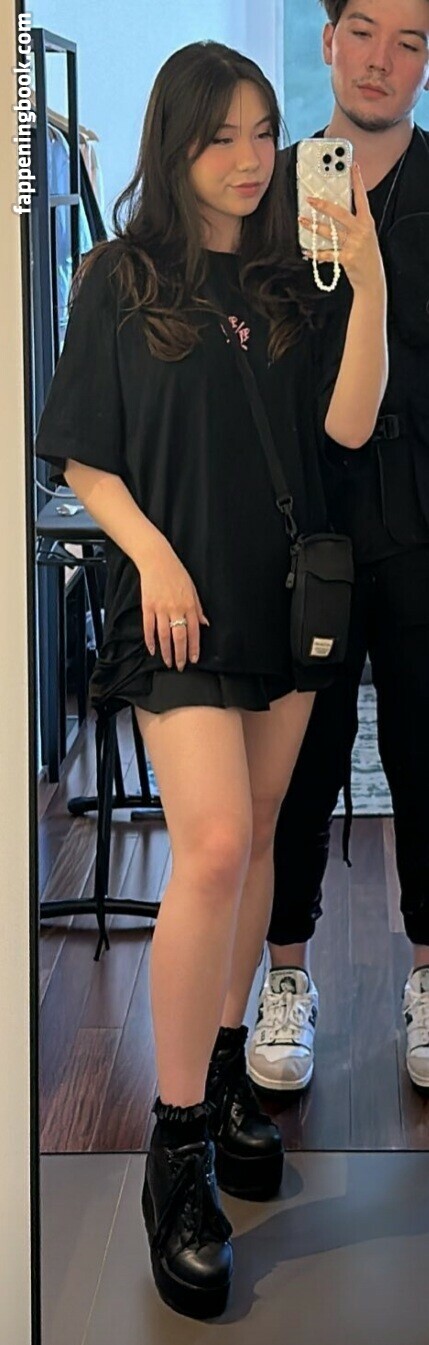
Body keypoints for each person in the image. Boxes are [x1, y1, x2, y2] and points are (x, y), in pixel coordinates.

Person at [35, 41, 387, 1320]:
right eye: (223, 135)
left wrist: (370, 274)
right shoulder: (119, 278)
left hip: (283, 602)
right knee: (220, 844)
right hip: (177, 610)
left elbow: (348, 425)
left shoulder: (295, 275)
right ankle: (174, 1147)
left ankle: (229, 1064)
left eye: (262, 132)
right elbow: (84, 455)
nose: (250, 159)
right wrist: (152, 557)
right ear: (175, 141)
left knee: (261, 838)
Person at [248, 0, 429, 1099]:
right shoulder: (271, 188)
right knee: (298, 764)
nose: (381, 61)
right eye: (363, 31)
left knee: (426, 754)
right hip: (300, 519)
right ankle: (284, 977)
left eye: (410, 42)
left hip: (421, 515)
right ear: (326, 41)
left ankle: (428, 977)